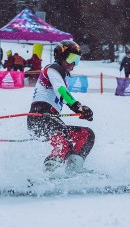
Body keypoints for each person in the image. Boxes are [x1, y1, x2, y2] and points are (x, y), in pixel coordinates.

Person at [27, 40, 94, 175]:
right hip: (40, 117)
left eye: (77, 60)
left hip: (50, 119)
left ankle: (74, 170)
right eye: (71, 58)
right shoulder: (53, 69)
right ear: (60, 56)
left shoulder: (59, 74)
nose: (73, 64)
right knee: (63, 143)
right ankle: (46, 174)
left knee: (86, 135)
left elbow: (62, 93)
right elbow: (61, 90)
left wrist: (78, 109)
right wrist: (78, 107)